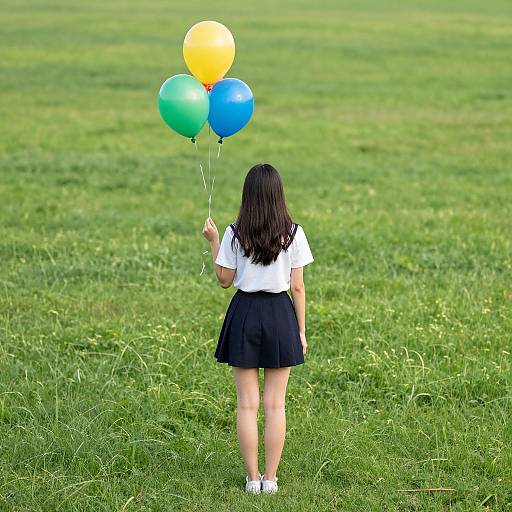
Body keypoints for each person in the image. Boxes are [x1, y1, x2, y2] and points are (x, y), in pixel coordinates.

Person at [202, 163, 314, 494]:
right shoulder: (294, 232)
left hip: (245, 313)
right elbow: (298, 288)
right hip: (281, 315)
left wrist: (212, 241)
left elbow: (224, 280)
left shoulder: (235, 232)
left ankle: (253, 480)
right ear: (279, 195)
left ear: (247, 196)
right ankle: (272, 479)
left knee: (247, 404)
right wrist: (301, 331)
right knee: (275, 405)